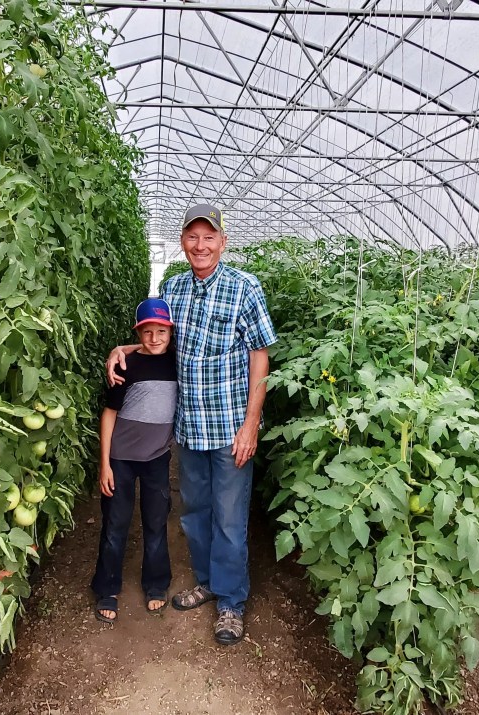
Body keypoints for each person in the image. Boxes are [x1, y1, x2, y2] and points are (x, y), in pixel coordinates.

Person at [107, 203, 277, 646]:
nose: (200, 245)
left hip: (229, 426)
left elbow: (261, 355)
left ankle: (231, 603)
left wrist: (251, 424)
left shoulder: (245, 287)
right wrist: (122, 349)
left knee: (229, 518)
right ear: (183, 241)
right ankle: (207, 580)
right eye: (192, 237)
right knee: (195, 515)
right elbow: (158, 338)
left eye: (209, 237)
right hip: (188, 428)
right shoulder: (174, 288)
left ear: (223, 240)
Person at [91, 298, 178, 623]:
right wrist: (105, 464)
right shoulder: (126, 367)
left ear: (171, 332)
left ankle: (156, 584)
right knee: (115, 525)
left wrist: (120, 346)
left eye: (161, 331)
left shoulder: (177, 362)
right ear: (138, 332)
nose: (154, 338)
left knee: (156, 523)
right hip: (121, 460)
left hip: (157, 459)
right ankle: (107, 588)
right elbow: (110, 414)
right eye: (147, 332)